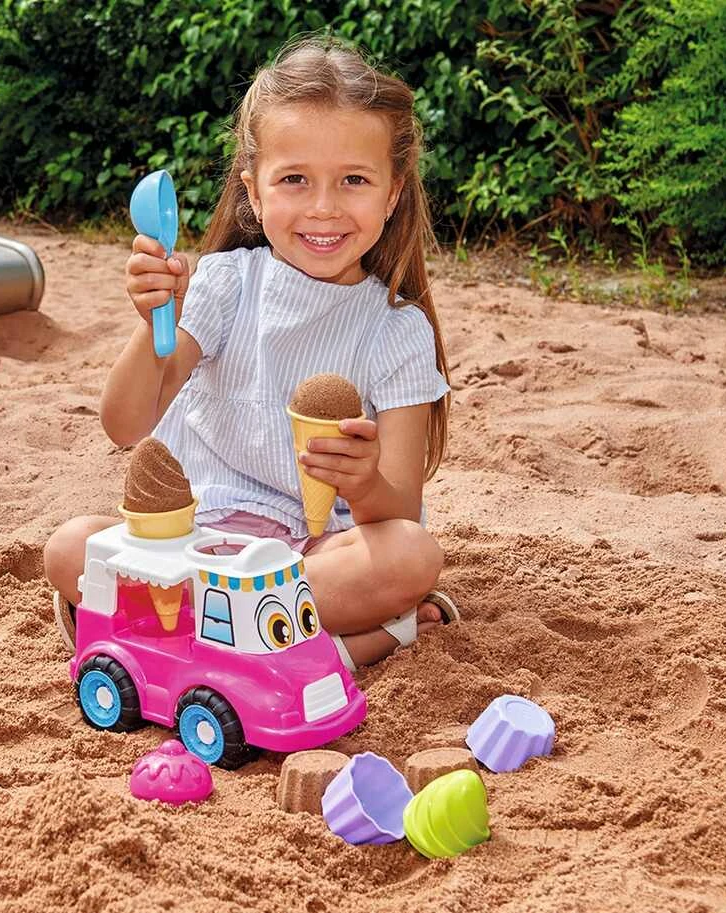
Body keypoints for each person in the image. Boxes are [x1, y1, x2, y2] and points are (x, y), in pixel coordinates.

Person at [44, 36, 456, 669]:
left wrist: (363, 481)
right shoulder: (225, 284)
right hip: (191, 541)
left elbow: (398, 511)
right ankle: (332, 643)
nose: (324, 207)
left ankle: (173, 633)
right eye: (294, 179)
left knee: (411, 557)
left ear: (392, 193)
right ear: (254, 193)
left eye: (354, 180)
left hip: (308, 557)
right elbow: (125, 425)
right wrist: (154, 325)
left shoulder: (396, 329)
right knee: (69, 546)